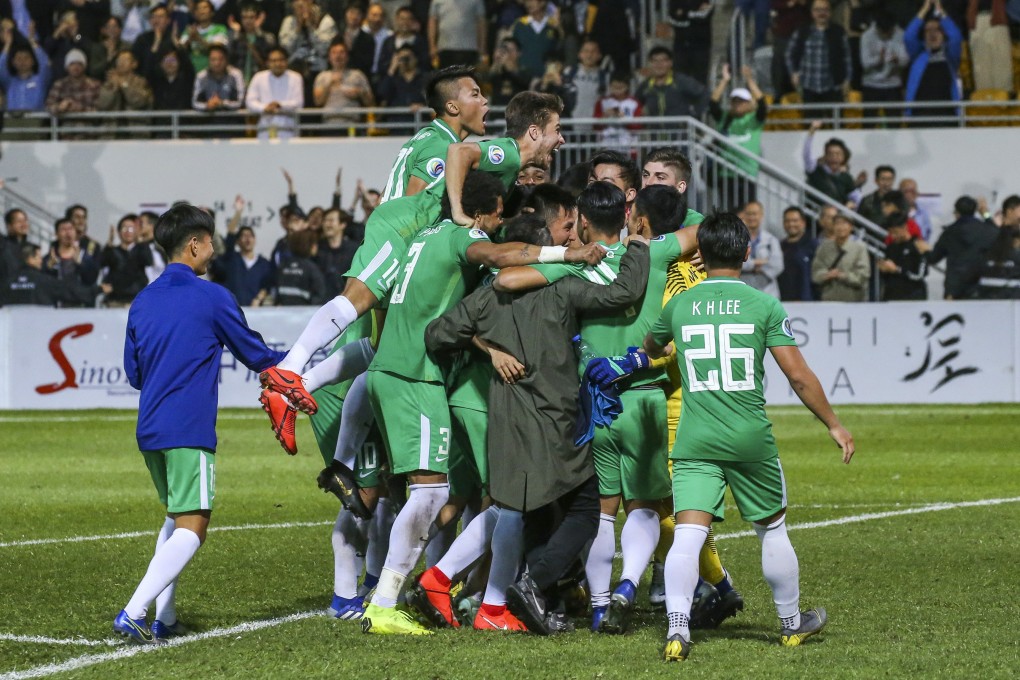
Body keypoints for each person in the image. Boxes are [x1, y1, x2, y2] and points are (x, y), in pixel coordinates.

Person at [357, 172, 605, 635]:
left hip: (463, 389)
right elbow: (465, 314)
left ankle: (465, 590)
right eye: (567, 228)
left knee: (473, 498)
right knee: (505, 503)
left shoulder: (487, 258)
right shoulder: (505, 267)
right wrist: (491, 350)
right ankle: (456, 590)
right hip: (477, 393)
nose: (572, 235)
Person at [424, 209, 651, 637]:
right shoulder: (563, 291)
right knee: (583, 508)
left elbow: (437, 334)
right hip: (553, 418)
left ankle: (455, 584)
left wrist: (486, 348)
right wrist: (637, 245)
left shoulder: (486, 297)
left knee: (517, 509)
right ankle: (528, 587)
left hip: (508, 420)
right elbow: (624, 293)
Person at [643, 210, 855, 663]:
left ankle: (678, 630)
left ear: (700, 254)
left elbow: (652, 344)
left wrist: (659, 347)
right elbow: (798, 376)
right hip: (749, 436)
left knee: (687, 535)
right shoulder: (764, 305)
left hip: (697, 436)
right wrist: (834, 424)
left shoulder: (680, 304)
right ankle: (790, 624)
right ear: (747, 252)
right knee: (772, 528)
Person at [114, 203, 285, 644]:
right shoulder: (212, 296)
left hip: (149, 429)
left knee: (175, 518)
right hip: (188, 429)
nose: (213, 251)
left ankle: (165, 617)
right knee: (194, 526)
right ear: (194, 244)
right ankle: (134, 611)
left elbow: (134, 375)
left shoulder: (143, 300)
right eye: (210, 242)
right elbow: (257, 355)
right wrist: (306, 362)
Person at [709, 64, 768, 208]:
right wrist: (724, 80)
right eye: (734, 101)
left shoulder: (754, 119)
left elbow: (762, 105)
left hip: (747, 173)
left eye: (741, 101)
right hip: (726, 173)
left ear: (749, 103)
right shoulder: (725, 118)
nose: (737, 104)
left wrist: (749, 80)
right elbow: (713, 103)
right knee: (730, 213)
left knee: (747, 212)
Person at [786, 0, 852, 113]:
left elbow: (847, 58)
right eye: (818, 10)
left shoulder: (839, 32)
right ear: (812, 12)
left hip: (833, 87)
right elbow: (789, 54)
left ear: (830, 12)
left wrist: (847, 80)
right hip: (808, 87)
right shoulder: (802, 31)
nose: (822, 13)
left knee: (836, 127)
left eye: (825, 10)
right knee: (811, 127)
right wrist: (793, 73)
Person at [927, 195, 998, 299]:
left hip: (954, 289)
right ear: (975, 210)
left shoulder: (949, 232)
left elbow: (933, 258)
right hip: (979, 286)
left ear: (956, 213)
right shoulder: (986, 230)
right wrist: (986, 215)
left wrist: (925, 250)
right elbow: (999, 235)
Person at [904, 0, 962, 122]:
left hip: (947, 115)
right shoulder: (918, 55)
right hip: (920, 115)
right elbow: (908, 36)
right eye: (928, 30)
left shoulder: (950, 55)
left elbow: (956, 37)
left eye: (936, 30)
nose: (932, 34)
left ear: (943, 34)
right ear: (923, 36)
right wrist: (925, 9)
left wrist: (940, 10)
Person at [210, 199, 274, 306]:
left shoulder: (264, 264)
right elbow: (230, 235)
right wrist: (238, 212)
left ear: (255, 239)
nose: (247, 239)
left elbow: (267, 286)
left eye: (250, 236)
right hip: (233, 310)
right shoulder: (231, 259)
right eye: (243, 236)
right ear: (238, 241)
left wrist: (259, 299)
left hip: (255, 313)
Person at [5, 242, 105, 307]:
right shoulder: (45, 281)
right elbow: (70, 292)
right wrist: (98, 289)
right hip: (39, 328)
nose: (41, 261)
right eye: (39, 257)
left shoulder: (7, 282)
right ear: (31, 259)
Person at [635, 46, 708, 122]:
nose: (659, 65)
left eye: (663, 61)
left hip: (680, 132)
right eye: (655, 61)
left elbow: (705, 94)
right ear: (650, 64)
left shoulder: (681, 81)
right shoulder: (645, 86)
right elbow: (634, 104)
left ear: (670, 63)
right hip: (655, 132)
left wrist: (694, 114)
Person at [246, 46, 304, 140]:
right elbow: (250, 101)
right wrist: (264, 108)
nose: (277, 63)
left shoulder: (296, 77)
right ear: (268, 62)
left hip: (288, 129)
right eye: (273, 60)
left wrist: (279, 105)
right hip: (265, 128)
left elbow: (298, 103)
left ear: (286, 61)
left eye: (281, 60)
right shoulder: (259, 77)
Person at [312, 39, 373, 127]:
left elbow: (371, 103)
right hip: (329, 123)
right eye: (334, 53)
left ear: (347, 56)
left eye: (342, 52)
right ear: (329, 57)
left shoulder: (358, 75)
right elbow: (318, 102)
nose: (338, 56)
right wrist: (330, 84)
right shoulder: (322, 76)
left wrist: (360, 92)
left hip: (352, 123)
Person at [802, 121, 863, 208]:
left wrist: (851, 205)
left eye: (838, 154)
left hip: (837, 219)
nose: (834, 157)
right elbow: (806, 154)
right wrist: (812, 131)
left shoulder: (846, 177)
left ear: (843, 157)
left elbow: (858, 198)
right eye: (831, 154)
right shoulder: (815, 170)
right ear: (825, 156)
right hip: (815, 217)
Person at [859, 11, 908, 118]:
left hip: (893, 86)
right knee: (869, 124)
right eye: (882, 32)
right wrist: (878, 60)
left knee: (894, 124)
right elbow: (865, 64)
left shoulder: (901, 34)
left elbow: (905, 61)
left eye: (889, 32)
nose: (886, 35)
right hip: (871, 85)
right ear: (877, 27)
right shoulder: (866, 36)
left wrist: (897, 60)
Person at [811, 214, 871, 301]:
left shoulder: (860, 248)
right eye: (837, 223)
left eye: (844, 223)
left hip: (854, 300)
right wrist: (827, 275)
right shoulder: (824, 247)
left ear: (851, 227)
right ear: (833, 226)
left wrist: (842, 276)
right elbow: (815, 274)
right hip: (828, 300)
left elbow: (863, 276)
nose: (840, 227)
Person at [101, 214, 149, 307]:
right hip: (115, 301)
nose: (128, 232)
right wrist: (109, 244)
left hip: (136, 302)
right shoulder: (112, 251)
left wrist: (141, 241)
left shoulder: (141, 249)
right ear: (118, 232)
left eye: (131, 229)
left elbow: (148, 261)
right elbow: (102, 263)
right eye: (124, 228)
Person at [738, 200, 784, 298]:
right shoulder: (736, 239)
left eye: (754, 214)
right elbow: (735, 263)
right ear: (743, 216)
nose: (751, 217)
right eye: (748, 214)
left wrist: (748, 265)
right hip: (744, 291)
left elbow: (778, 265)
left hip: (768, 292)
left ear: (761, 215)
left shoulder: (771, 240)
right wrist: (755, 263)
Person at [878, 211, 928, 300]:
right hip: (892, 297)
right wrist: (883, 269)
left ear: (905, 227)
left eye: (895, 232)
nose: (893, 236)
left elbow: (920, 275)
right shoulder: (890, 247)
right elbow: (886, 275)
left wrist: (897, 270)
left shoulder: (917, 245)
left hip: (913, 298)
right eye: (890, 232)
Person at [510, 0, 562, 83]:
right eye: (526, 1)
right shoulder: (519, 25)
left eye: (531, 1)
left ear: (542, 2)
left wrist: (558, 29)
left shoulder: (553, 25)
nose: (528, 4)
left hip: (545, 79)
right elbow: (511, 49)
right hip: (522, 79)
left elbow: (559, 51)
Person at [0, 26, 50, 112]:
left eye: (26, 58)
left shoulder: (41, 79)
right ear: (13, 63)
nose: (22, 61)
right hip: (12, 120)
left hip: (36, 120)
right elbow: (1, 67)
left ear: (33, 61)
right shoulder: (10, 82)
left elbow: (44, 63)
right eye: (19, 59)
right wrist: (8, 44)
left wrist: (32, 41)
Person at [666, 0, 715, 86]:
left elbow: (705, 15)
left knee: (700, 81)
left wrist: (684, 13)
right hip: (680, 46)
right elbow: (672, 19)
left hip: (701, 46)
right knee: (678, 80)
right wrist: (693, 13)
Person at [427, 0, 487, 70]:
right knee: (447, 78)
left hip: (469, 48)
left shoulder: (476, 1)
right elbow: (432, 23)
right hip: (445, 48)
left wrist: (482, 47)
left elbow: (481, 23)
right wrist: (432, 46)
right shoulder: (437, 1)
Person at [562, 38, 609, 123]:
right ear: (580, 54)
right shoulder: (569, 72)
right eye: (586, 51)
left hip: (595, 126)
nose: (589, 55)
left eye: (593, 52)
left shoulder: (605, 76)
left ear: (599, 55)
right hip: (571, 124)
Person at [228, 1, 276, 84]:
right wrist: (239, 34)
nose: (248, 21)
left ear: (258, 18)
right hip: (239, 80)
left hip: (260, 80)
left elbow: (267, 59)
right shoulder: (235, 37)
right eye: (244, 17)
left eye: (251, 17)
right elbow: (230, 58)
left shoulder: (267, 37)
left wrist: (258, 32)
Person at [45, 48, 101, 120]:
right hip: (65, 127)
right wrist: (60, 107)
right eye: (72, 64)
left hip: (89, 127)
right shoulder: (59, 85)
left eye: (79, 64)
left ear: (84, 66)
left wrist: (80, 108)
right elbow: (48, 106)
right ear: (67, 67)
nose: (75, 67)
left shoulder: (95, 85)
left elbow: (99, 110)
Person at [593, 72, 643, 152]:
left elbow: (638, 126)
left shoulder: (634, 103)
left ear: (627, 87)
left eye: (620, 88)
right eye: (614, 87)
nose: (617, 91)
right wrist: (605, 116)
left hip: (628, 146)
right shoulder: (602, 102)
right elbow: (595, 125)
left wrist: (624, 119)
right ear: (610, 86)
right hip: (607, 146)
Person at [275, 230, 326, 306]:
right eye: (315, 243)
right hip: (304, 313)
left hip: (284, 312)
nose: (316, 246)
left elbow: (277, 293)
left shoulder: (282, 266)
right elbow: (320, 294)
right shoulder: (311, 268)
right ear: (309, 245)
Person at [315, 208, 358, 300]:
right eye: (325, 221)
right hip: (320, 303)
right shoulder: (317, 248)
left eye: (330, 221)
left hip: (345, 302)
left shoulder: (353, 249)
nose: (326, 224)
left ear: (342, 224)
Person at [191, 44, 245, 113]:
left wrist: (222, 103)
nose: (217, 63)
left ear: (226, 60)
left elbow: (241, 101)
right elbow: (194, 103)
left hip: (232, 120)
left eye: (220, 59)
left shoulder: (236, 74)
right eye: (213, 59)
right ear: (208, 60)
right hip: (208, 120)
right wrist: (207, 105)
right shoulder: (201, 76)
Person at [778, 206, 817, 301]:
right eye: (787, 221)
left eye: (795, 221)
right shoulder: (778, 246)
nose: (791, 224)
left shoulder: (813, 245)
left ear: (803, 223)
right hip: (782, 301)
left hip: (807, 302)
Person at [180, 0, 229, 74]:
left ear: (212, 12)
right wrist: (190, 39)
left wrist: (198, 39)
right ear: (195, 14)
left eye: (205, 8)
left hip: (211, 73)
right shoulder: (189, 30)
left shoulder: (220, 29)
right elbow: (180, 50)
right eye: (198, 8)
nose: (201, 11)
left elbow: (218, 49)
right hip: (190, 73)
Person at [487, 37, 530, 107]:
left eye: (511, 50)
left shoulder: (525, 71)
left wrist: (509, 66)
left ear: (519, 53)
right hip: (496, 113)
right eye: (505, 50)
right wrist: (496, 62)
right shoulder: (497, 70)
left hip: (517, 114)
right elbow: (486, 81)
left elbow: (524, 82)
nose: (508, 53)